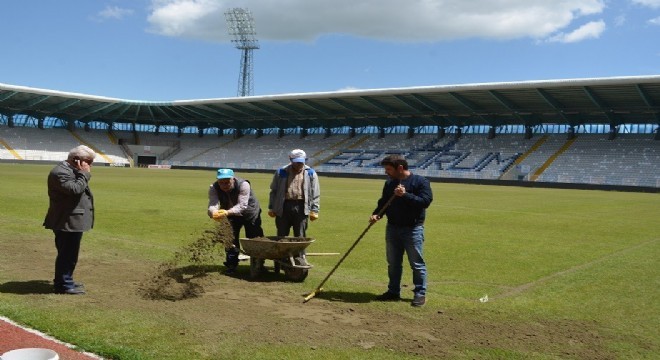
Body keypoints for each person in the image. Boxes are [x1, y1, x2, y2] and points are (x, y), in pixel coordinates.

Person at [369, 154, 433, 307]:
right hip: (392, 228)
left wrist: (405, 195)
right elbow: (384, 202)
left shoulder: (420, 181)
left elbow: (425, 202)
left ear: (400, 168)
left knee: (416, 263)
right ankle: (393, 291)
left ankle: (420, 293)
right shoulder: (390, 183)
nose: (386, 172)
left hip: (413, 229)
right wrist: (377, 214)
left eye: (389, 169)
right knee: (393, 263)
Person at [44, 145, 97, 295]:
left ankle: (66, 280)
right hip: (66, 220)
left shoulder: (70, 170)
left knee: (69, 253)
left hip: (71, 219)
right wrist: (84, 174)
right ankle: (63, 285)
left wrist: (81, 173)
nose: (90, 166)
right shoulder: (60, 172)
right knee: (67, 254)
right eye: (89, 162)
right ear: (77, 160)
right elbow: (74, 190)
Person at [208, 168, 264, 274]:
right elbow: (212, 204)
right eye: (221, 183)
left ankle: (258, 264)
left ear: (233, 179)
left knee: (254, 239)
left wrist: (226, 212)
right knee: (229, 239)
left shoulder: (244, 185)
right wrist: (213, 212)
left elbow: (242, 206)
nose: (224, 185)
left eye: (227, 182)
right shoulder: (214, 187)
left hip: (250, 212)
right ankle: (231, 265)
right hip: (229, 213)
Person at [268, 149, 320, 239]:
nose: (299, 164)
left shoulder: (310, 173)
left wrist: (314, 210)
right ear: (291, 160)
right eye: (296, 162)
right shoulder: (281, 172)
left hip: (301, 206)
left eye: (301, 162)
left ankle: (299, 253)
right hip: (283, 206)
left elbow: (315, 193)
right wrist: (271, 207)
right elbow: (274, 191)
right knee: (281, 234)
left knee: (300, 235)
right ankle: (282, 253)